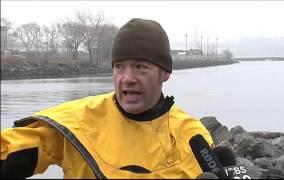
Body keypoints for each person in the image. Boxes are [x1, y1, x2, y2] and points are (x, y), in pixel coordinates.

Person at [1, 18, 214, 179]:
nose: (127, 78)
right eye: (119, 67)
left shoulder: (193, 136)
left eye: (140, 67)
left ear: (165, 73)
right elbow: (19, 144)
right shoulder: (77, 123)